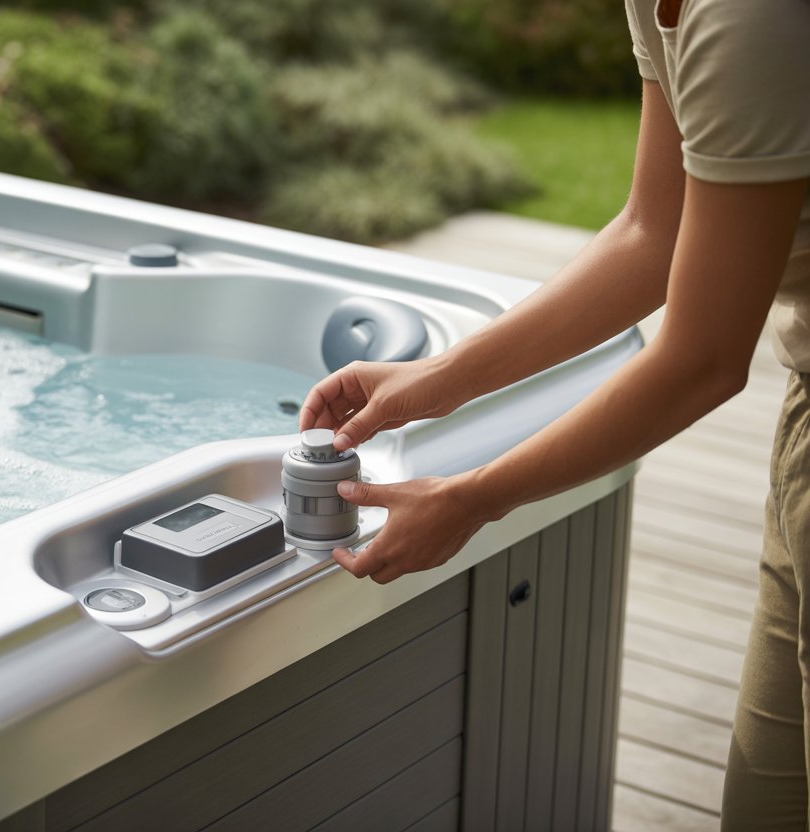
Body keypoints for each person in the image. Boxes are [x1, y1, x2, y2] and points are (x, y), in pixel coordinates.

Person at [299, 0, 810, 826]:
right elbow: (656, 227)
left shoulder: (750, 16)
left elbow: (704, 361)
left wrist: (474, 498)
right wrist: (439, 377)